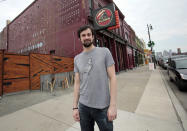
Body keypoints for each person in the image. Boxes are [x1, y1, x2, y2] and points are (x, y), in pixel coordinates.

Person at [73, 25, 117, 131]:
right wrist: (75, 107)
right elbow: (77, 83)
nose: (86, 37)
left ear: (93, 37)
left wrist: (113, 105)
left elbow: (113, 78)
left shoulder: (105, 52)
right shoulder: (77, 59)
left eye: (89, 34)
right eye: (83, 35)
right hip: (83, 107)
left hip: (103, 107)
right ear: (80, 38)